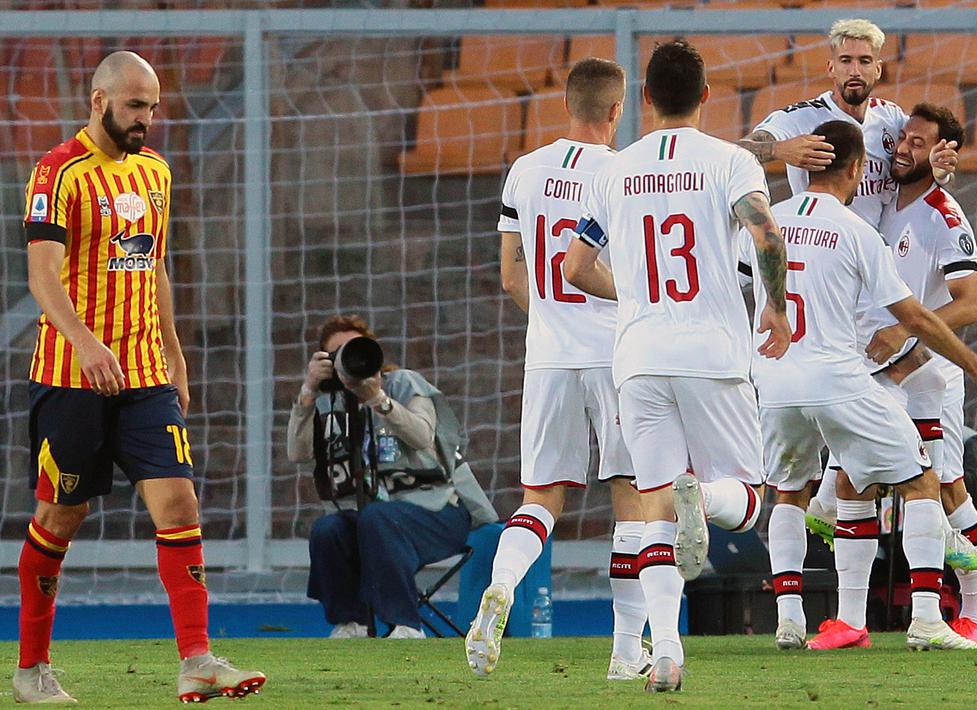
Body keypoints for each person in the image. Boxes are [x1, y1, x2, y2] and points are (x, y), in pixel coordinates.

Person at [16, 51, 265, 703]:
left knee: (179, 503)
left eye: (152, 107)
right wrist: (85, 343)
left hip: (145, 374)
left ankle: (197, 659)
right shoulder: (58, 171)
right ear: (99, 101)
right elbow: (41, 275)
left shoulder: (155, 172)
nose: (146, 119)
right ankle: (32, 669)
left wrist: (174, 354)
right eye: (134, 106)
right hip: (71, 376)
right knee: (60, 515)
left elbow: (152, 266)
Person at [563, 40, 792, 692]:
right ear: (706, 95)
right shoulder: (730, 161)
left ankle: (664, 650)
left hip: (638, 357)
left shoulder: (614, 171)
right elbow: (765, 232)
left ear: (644, 98)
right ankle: (705, 496)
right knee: (745, 502)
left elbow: (574, 266)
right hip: (711, 353)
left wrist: (635, 296)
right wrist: (775, 307)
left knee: (654, 510)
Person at [747, 120, 977, 653]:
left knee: (790, 492)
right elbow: (917, 317)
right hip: (842, 378)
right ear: (858, 168)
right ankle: (927, 617)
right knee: (922, 483)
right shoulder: (857, 230)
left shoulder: (767, 223)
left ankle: (790, 620)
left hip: (775, 380)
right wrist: (975, 364)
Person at [465, 58, 651, 682]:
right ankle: (625, 653)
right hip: (614, 352)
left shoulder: (524, 169)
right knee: (630, 494)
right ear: (617, 110)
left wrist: (550, 319)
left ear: (567, 104)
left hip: (546, 354)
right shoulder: (623, 172)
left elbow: (510, 276)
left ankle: (501, 586)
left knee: (540, 497)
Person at [859, 104, 977, 646]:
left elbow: (969, 304)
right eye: (904, 139)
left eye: (918, 143)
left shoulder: (945, 216)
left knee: (946, 485)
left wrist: (905, 332)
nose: (903, 149)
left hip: (929, 369)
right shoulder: (887, 205)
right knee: (881, 478)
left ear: (942, 151)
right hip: (887, 367)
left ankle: (976, 613)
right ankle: (857, 615)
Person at [288, 315, 497, 640]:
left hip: (437, 510)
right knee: (328, 529)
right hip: (371, 518)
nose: (347, 359)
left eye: (353, 349)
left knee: (377, 517)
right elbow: (298, 454)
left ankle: (406, 625)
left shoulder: (403, 384)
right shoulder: (327, 402)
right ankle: (352, 622)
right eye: (336, 354)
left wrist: (378, 400)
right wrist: (307, 393)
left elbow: (423, 435)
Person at [738, 18, 958, 226]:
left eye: (864, 61)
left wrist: (942, 174)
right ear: (831, 68)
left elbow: (926, 174)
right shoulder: (800, 118)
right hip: (821, 241)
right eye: (845, 60)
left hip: (878, 243)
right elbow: (737, 152)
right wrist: (779, 149)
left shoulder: (892, 118)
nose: (854, 71)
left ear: (878, 69)